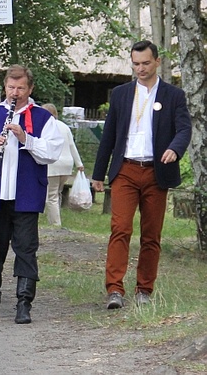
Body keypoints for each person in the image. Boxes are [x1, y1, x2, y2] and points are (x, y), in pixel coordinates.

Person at [92, 40, 191, 309]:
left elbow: (184, 129)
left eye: (146, 63)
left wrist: (174, 149)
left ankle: (144, 290)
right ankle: (114, 289)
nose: (140, 68)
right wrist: (98, 173)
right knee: (120, 229)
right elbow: (109, 136)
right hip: (125, 169)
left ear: (157, 62)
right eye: (136, 64)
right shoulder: (122, 94)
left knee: (151, 234)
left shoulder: (173, 95)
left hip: (156, 172)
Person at [0, 64, 63, 324]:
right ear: (4, 87)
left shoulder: (43, 118)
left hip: (26, 196)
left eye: (20, 88)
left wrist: (26, 139)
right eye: (10, 87)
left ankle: (23, 302)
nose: (14, 92)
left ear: (30, 89)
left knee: (26, 249)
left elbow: (51, 153)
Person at [43, 103, 84, 227]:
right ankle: (55, 216)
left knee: (51, 196)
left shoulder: (45, 127)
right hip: (66, 164)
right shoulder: (64, 126)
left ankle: (56, 223)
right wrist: (79, 164)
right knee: (57, 192)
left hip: (53, 164)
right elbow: (72, 145)